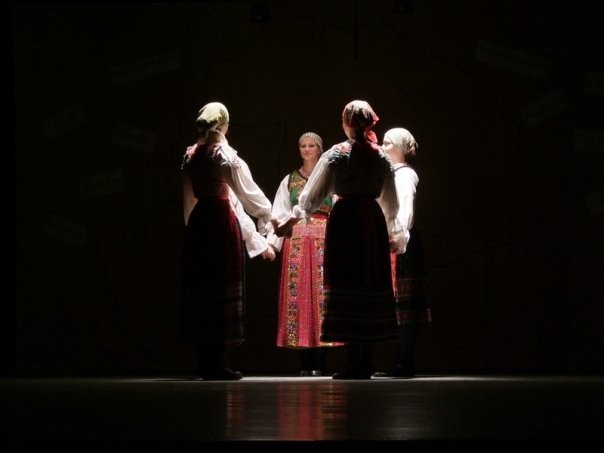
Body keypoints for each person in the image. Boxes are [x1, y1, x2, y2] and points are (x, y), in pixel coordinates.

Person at [275, 100, 402, 379]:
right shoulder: (381, 156)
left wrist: (294, 218)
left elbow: (312, 195)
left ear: (346, 123)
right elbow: (391, 202)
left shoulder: (337, 154)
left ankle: (354, 360)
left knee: (347, 279)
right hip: (372, 221)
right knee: (368, 280)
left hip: (345, 220)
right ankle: (365, 359)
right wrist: (393, 231)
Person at [181, 101, 275, 381]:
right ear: (224, 125)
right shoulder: (222, 154)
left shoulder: (190, 154)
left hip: (200, 221)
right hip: (219, 221)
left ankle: (206, 360)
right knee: (220, 283)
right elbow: (246, 194)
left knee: (204, 287)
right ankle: (217, 361)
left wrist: (191, 227)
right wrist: (270, 218)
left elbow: (188, 199)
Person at [266, 132, 341, 377]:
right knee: (298, 298)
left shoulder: (330, 178)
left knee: (322, 298)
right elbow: (279, 213)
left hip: (324, 241)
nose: (307, 149)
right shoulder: (289, 180)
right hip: (296, 242)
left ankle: (321, 360)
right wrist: (272, 244)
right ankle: (304, 362)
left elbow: (338, 210)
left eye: (311, 145)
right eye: (302, 146)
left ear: (319, 149)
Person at [374, 127, 432, 378]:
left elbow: (405, 209)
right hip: (393, 238)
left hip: (402, 240)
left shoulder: (405, 174)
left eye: (387, 143)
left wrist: (397, 235)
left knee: (405, 302)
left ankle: (404, 361)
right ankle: (400, 360)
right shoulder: (392, 173)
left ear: (399, 148)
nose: (383, 147)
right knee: (398, 303)